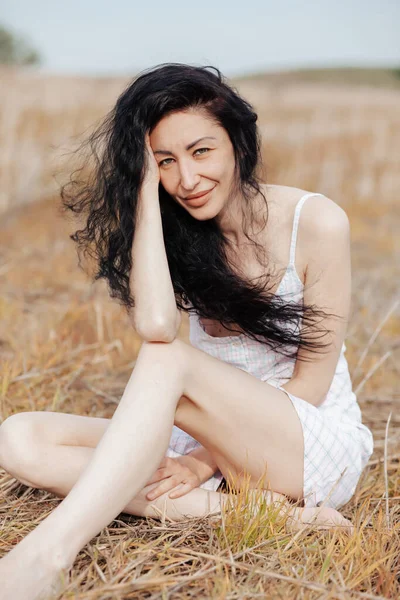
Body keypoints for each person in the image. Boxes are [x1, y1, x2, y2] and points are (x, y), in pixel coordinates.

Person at [0, 63, 373, 599]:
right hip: (213, 441)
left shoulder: (316, 223)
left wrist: (199, 463)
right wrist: (147, 199)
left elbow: (311, 385)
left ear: (238, 143)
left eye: (201, 152)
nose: (188, 180)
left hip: (306, 443)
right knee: (20, 439)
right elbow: (155, 322)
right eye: (165, 161)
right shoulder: (179, 232)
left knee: (165, 359)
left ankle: (49, 553)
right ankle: (256, 516)